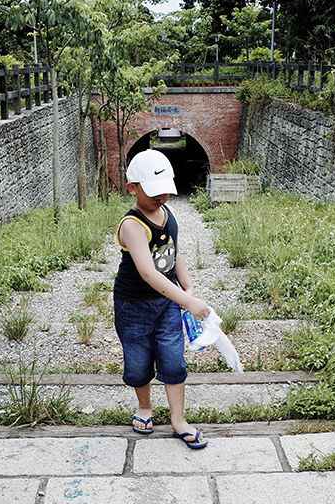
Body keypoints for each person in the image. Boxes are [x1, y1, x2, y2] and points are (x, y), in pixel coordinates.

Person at [113, 148, 211, 449]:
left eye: (166, 190)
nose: (161, 197)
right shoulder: (132, 225)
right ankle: (145, 407)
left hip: (167, 302)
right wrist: (187, 300)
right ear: (132, 188)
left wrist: (188, 287)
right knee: (139, 361)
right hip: (134, 305)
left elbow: (174, 253)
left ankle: (178, 420)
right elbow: (147, 272)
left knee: (172, 359)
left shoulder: (168, 214)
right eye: (154, 191)